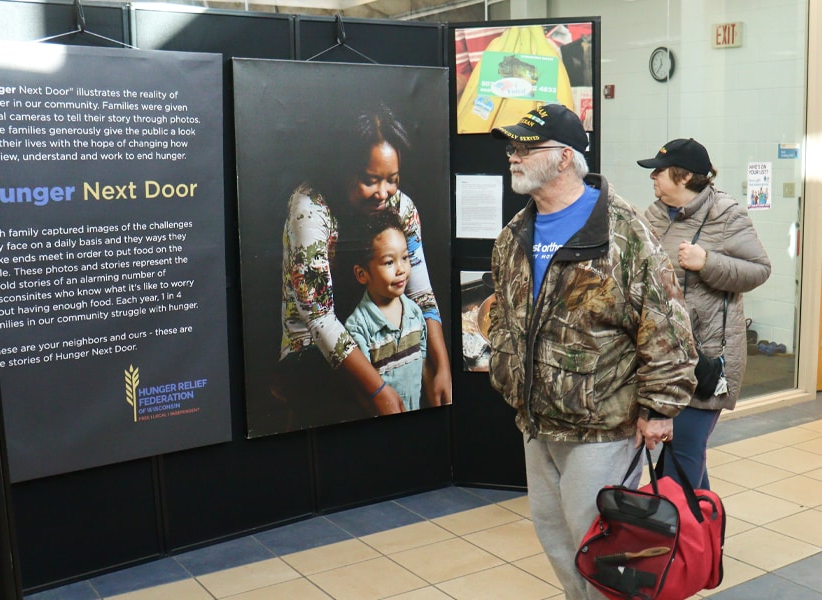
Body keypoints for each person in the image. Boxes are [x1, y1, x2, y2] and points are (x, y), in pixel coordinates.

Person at [488, 104, 697, 600]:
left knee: (601, 548)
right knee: (558, 542)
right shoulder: (515, 235)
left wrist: (661, 408)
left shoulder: (622, 233)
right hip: (536, 419)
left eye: (525, 148)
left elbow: (665, 323)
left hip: (602, 425)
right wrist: (504, 364)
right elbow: (502, 313)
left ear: (563, 158)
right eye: (512, 148)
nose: (513, 157)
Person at [277, 102, 451, 431]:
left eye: (392, 180)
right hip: (314, 346)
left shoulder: (402, 207)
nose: (383, 193)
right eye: (370, 180)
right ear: (346, 169)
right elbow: (319, 318)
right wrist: (378, 389)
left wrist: (440, 366)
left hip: (384, 336)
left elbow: (422, 292)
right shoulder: (310, 209)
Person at [638, 138, 771, 489]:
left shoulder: (726, 213)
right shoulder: (651, 214)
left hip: (705, 359)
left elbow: (759, 269)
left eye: (659, 171)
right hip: (661, 356)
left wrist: (707, 262)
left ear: (683, 177)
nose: (652, 177)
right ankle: (702, 536)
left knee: (683, 452)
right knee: (682, 458)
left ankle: (677, 536)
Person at [345, 209, 428, 412]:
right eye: (389, 262)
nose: (401, 269)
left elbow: (422, 368)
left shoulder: (415, 314)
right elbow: (362, 391)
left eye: (405, 258)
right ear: (362, 274)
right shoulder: (357, 327)